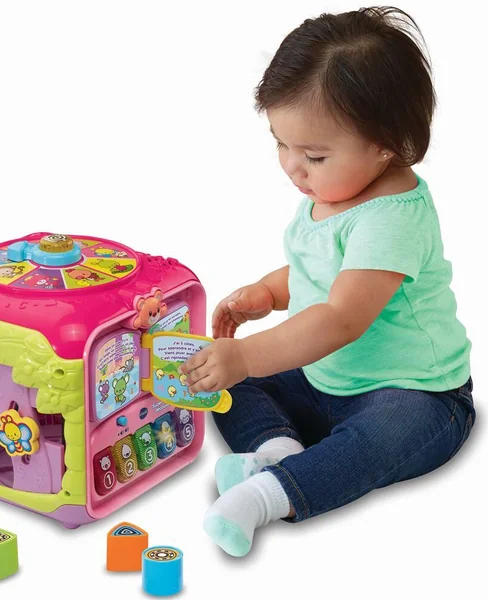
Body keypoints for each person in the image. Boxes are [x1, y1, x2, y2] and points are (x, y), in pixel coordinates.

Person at [178, 6, 475, 557]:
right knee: (223, 380)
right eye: (280, 144)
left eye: (313, 155)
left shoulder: (390, 218)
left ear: (386, 143)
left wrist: (247, 355)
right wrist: (270, 292)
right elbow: (316, 272)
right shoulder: (331, 189)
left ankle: (268, 494)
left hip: (414, 392)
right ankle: (278, 449)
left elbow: (341, 317)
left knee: (379, 439)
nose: (293, 167)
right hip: (324, 377)